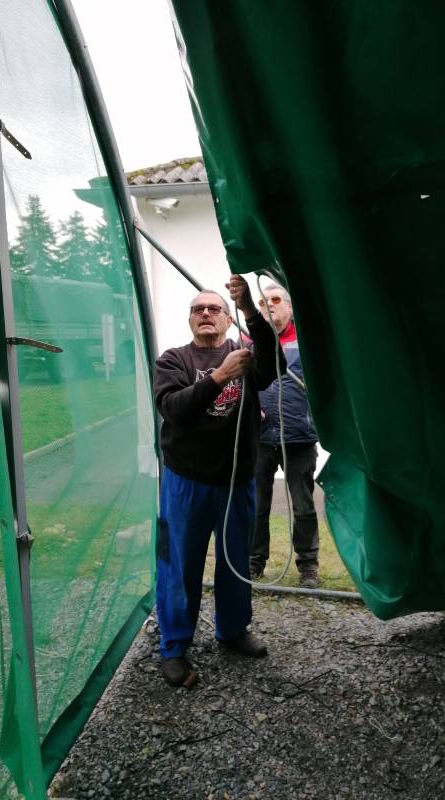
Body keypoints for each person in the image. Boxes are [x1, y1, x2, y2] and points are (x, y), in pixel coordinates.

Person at [153, 274, 283, 686]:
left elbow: (274, 364)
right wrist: (219, 377)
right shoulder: (173, 360)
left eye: (214, 309)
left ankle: (232, 630)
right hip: (186, 481)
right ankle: (174, 647)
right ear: (190, 320)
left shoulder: (244, 354)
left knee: (234, 563)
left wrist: (249, 308)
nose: (206, 313)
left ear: (228, 320)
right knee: (180, 565)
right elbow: (174, 409)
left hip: (236, 481)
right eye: (198, 309)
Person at [249, 284, 320, 588]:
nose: (270, 305)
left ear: (290, 307)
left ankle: (308, 566)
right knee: (257, 505)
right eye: (264, 302)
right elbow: (239, 385)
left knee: (303, 505)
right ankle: (254, 564)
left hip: (299, 438)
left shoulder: (309, 343)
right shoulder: (247, 340)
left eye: (276, 300)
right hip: (260, 439)